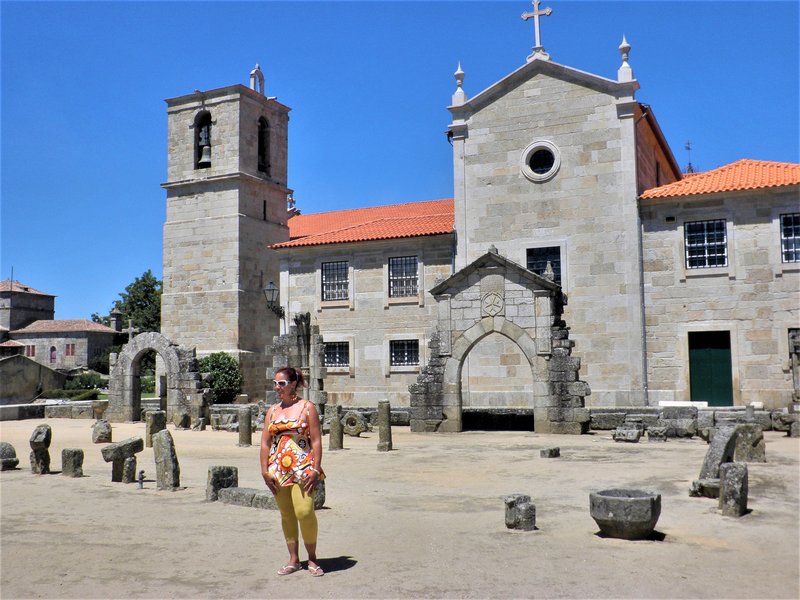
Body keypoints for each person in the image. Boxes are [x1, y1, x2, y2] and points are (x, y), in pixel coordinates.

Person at [260, 367, 325, 576]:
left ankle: (312, 558)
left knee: (304, 512)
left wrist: (315, 469)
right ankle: (294, 559)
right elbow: (264, 443)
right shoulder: (272, 411)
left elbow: (316, 441)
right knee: (287, 514)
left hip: (304, 468)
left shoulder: (307, 408)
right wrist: (264, 470)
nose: (277, 387)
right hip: (278, 469)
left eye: (281, 383)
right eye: (275, 383)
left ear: (293, 384)